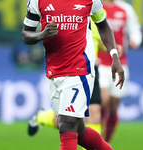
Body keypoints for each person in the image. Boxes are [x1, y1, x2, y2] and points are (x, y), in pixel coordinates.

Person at [22, 0, 124, 149]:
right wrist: (41, 34)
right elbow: (26, 34)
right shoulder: (37, 1)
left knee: (66, 124)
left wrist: (114, 55)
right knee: (78, 131)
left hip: (80, 69)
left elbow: (103, 25)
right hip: (54, 72)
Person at [97, 0, 143, 143]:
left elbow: (135, 29)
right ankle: (97, 138)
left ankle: (106, 141)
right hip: (99, 62)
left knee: (113, 105)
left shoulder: (125, 9)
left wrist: (135, 40)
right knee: (103, 101)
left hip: (120, 63)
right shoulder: (96, 6)